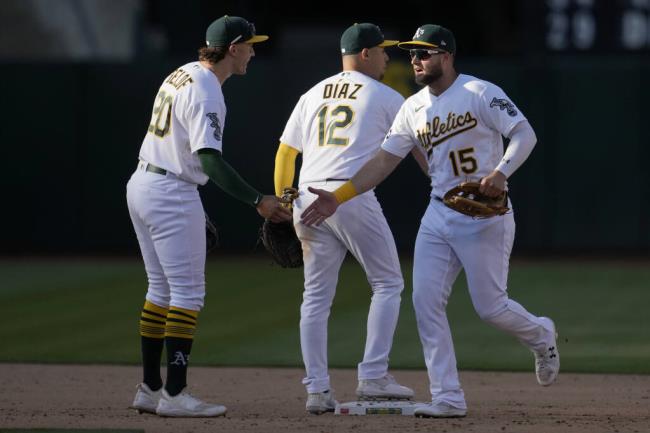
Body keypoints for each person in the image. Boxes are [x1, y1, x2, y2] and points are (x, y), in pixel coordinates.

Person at [300, 24, 560, 418]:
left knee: (490, 307)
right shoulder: (412, 107)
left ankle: (541, 335)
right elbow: (384, 161)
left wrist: (502, 172)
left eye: (425, 53)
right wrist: (339, 196)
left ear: (447, 56)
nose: (417, 61)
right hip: (439, 211)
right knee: (425, 303)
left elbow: (524, 134)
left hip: (484, 213)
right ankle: (448, 397)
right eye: (413, 54)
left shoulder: (479, 92)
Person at [127, 15, 291, 418]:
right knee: (187, 295)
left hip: (143, 183)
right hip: (171, 192)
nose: (254, 51)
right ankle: (175, 394)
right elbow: (210, 161)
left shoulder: (182, 72)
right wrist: (258, 200)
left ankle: (149, 388)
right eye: (250, 44)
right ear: (233, 48)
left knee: (159, 290)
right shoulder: (207, 90)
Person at [274, 23, 426, 414]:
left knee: (315, 298)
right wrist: (440, 181)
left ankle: (317, 390)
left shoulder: (312, 94)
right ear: (364, 54)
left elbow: (286, 154)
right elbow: (418, 148)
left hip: (306, 195)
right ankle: (373, 375)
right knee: (388, 282)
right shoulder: (387, 95)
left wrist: (285, 200)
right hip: (347, 194)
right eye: (382, 51)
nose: (387, 57)